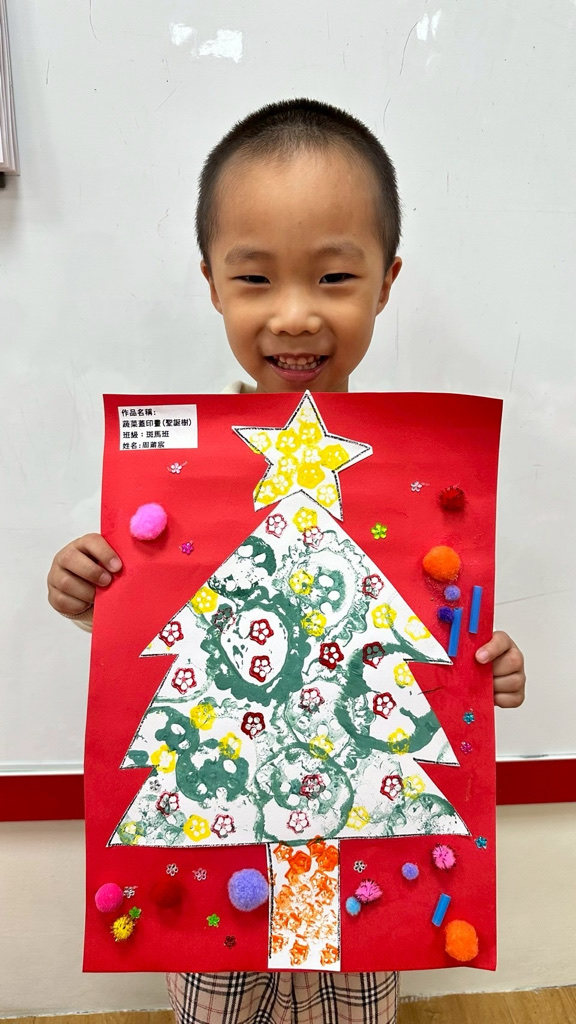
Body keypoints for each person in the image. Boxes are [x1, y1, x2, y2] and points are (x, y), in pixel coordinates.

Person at [47, 98, 526, 1024]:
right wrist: (86, 587)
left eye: (335, 276)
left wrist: (485, 669)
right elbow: (144, 624)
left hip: (361, 882)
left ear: (386, 282)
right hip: (222, 859)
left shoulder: (419, 482)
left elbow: (433, 637)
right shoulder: (171, 481)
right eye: (256, 278)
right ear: (212, 284)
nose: (295, 315)